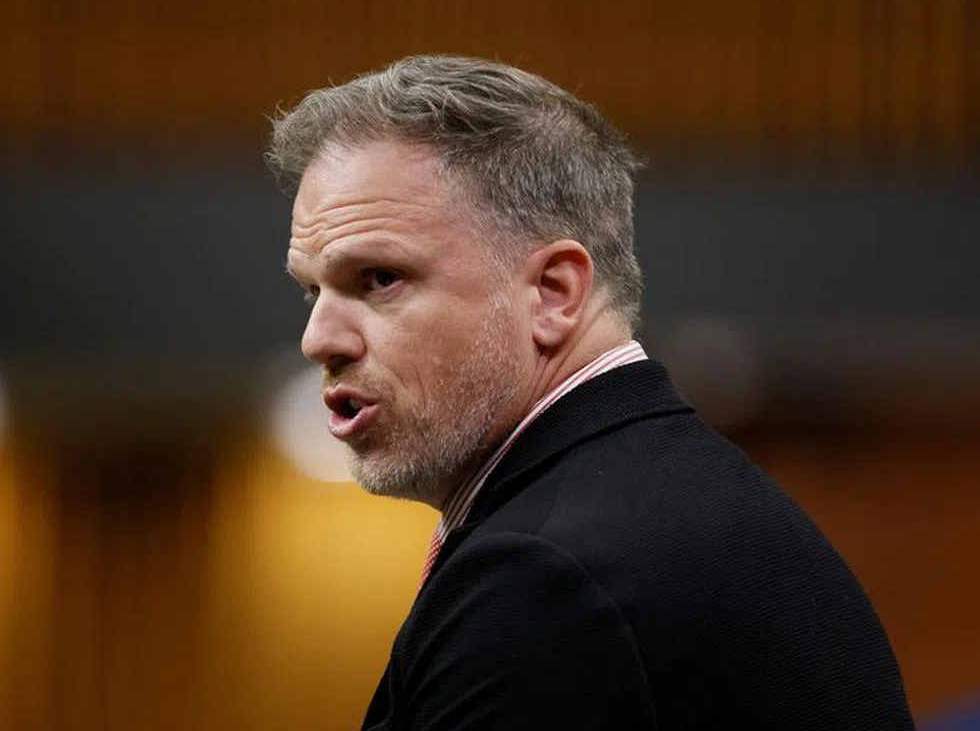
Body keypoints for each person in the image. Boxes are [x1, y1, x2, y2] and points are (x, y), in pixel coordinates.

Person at [268, 55, 915, 730]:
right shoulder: (685, 501)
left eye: (379, 279)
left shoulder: (547, 579)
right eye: (313, 290)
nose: (320, 339)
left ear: (554, 293)